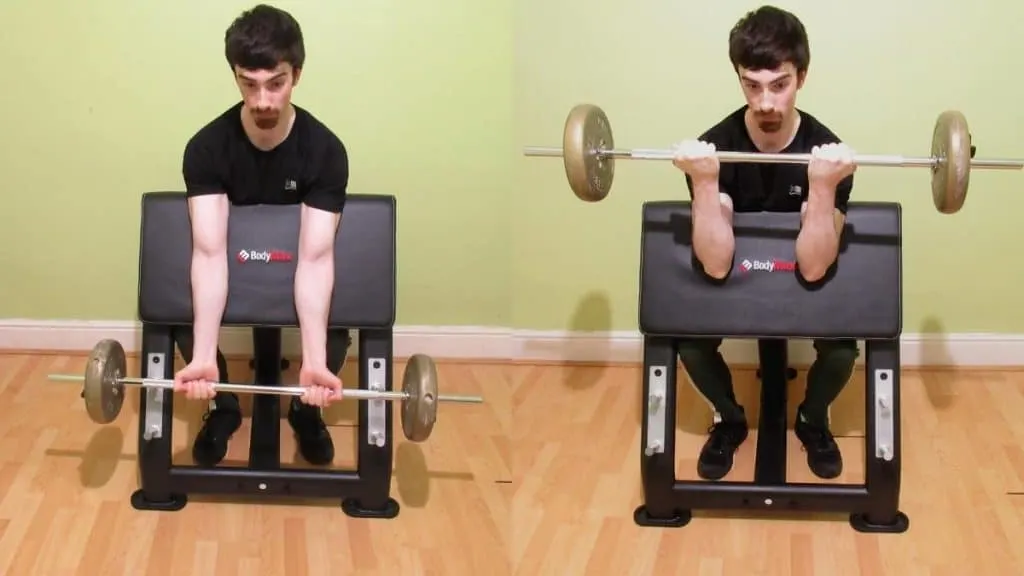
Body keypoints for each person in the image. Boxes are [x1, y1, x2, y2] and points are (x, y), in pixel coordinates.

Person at [671, 5, 860, 481]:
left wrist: (821, 189)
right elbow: (715, 264)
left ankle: (812, 419)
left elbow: (815, 267)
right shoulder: (717, 147)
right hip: (739, 275)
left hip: (801, 276)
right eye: (751, 85)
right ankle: (730, 419)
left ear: (802, 77)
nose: (766, 102)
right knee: (690, 345)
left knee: (841, 350)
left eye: (780, 84)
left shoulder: (827, 152)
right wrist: (706, 185)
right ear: (738, 79)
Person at [172, 4, 351, 468]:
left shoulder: (325, 152)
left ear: (297, 75)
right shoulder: (207, 148)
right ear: (235, 76)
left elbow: (315, 259)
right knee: (176, 308)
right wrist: (205, 350)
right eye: (248, 84)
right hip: (236, 265)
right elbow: (209, 252)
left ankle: (306, 407)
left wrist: (313, 359)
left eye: (277, 83)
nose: (263, 100)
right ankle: (223, 404)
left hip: (294, 265)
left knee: (345, 306)